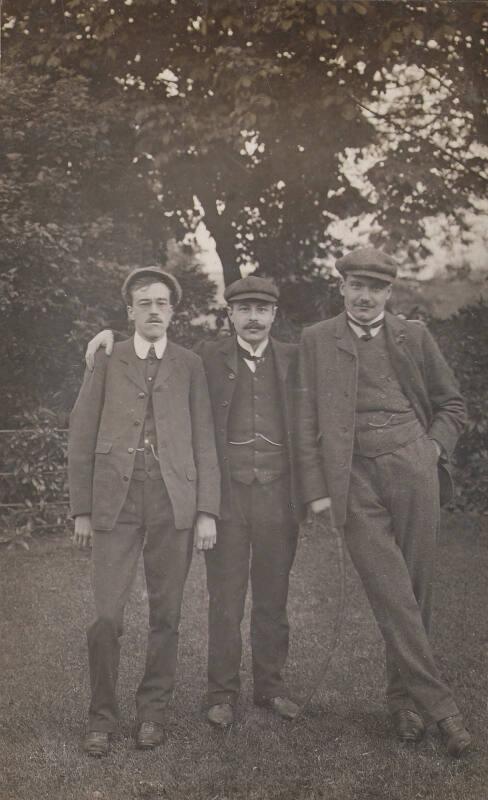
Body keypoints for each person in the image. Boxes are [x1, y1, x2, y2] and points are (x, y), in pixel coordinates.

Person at [85, 276, 303, 728]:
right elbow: (148, 344)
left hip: (277, 496)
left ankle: (272, 686)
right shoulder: (207, 357)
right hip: (226, 498)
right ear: (230, 315)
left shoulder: (295, 359)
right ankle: (221, 693)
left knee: (273, 596)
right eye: (244, 309)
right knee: (225, 597)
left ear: (274, 314)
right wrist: (104, 335)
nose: (254, 318)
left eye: (262, 309)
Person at [297, 246, 471, 757]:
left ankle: (404, 703)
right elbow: (304, 422)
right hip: (352, 478)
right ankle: (443, 710)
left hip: (412, 468)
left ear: (389, 292)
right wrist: (317, 490)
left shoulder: (413, 336)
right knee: (390, 590)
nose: (365, 296)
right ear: (342, 287)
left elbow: (452, 404)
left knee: (415, 591)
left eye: (376, 288)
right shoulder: (316, 340)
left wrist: (432, 448)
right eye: (357, 285)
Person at [68, 267, 220, 756]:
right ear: (129, 311)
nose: (154, 311)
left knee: (167, 613)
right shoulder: (107, 357)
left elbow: (205, 439)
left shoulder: (189, 364)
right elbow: (81, 433)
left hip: (173, 500)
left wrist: (206, 510)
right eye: (145, 303)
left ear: (172, 312)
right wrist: (82, 510)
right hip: (117, 500)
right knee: (106, 617)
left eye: (161, 303)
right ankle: (101, 717)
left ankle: (153, 714)